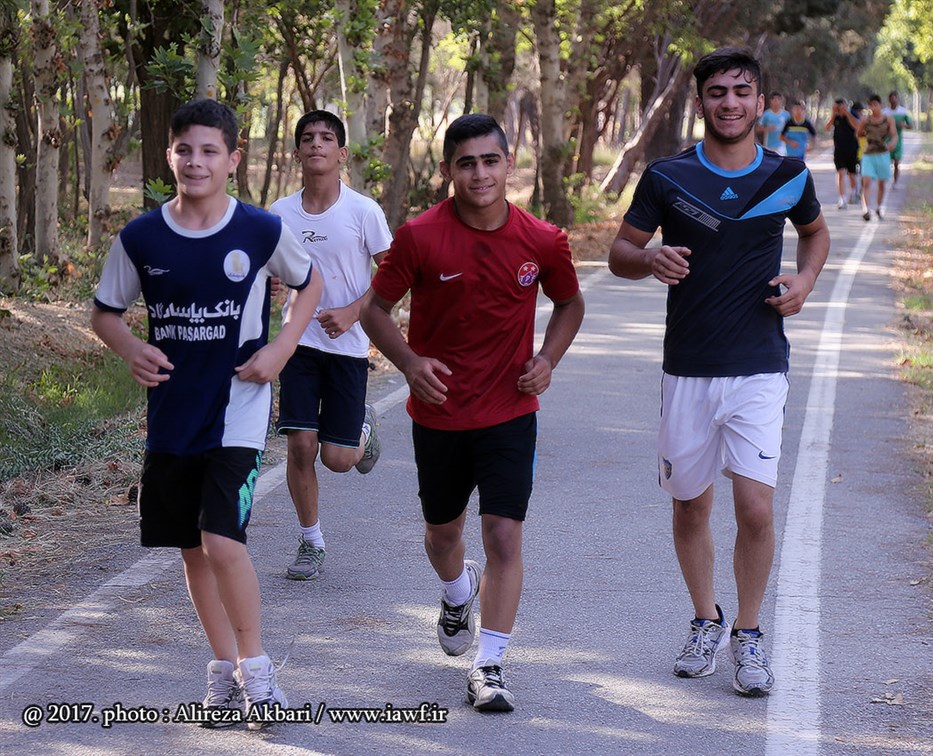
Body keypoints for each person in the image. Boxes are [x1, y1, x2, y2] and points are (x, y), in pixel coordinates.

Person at [91, 99, 322, 728]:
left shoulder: (260, 230)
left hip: (237, 412)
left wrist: (282, 348)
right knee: (192, 548)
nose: (196, 162)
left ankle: (259, 674)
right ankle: (223, 671)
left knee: (222, 540)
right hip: (171, 417)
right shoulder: (141, 237)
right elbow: (105, 313)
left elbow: (310, 284)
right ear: (169, 156)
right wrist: (131, 348)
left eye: (209, 151)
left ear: (233, 159)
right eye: (185, 150)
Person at [608, 48, 830, 698]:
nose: (729, 102)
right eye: (717, 92)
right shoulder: (668, 176)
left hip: (759, 364)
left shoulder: (787, 174)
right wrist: (649, 259)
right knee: (690, 505)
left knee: (755, 507)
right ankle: (706, 618)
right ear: (702, 101)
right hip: (688, 368)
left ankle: (749, 632)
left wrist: (805, 281)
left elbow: (815, 234)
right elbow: (619, 251)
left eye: (741, 91)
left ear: (760, 101)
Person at [360, 113, 584, 713]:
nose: (480, 174)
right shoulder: (419, 237)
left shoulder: (543, 239)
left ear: (509, 164)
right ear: (447, 171)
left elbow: (569, 303)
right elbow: (375, 310)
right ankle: (457, 592)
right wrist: (410, 363)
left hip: (511, 410)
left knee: (504, 535)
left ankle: (489, 665)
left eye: (490, 161)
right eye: (467, 163)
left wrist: (548, 359)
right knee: (443, 535)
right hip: (440, 415)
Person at [270, 110, 392, 581]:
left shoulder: (363, 211)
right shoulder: (280, 213)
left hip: (348, 346)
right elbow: (269, 272)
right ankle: (311, 542)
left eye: (325, 138)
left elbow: (394, 275)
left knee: (338, 460)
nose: (316, 144)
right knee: (301, 446)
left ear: (341, 154)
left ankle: (362, 427)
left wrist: (354, 311)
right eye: (307, 138)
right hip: (298, 343)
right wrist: (270, 284)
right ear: (296, 153)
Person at [855, 93, 898, 221]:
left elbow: (894, 135)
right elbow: (858, 133)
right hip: (868, 154)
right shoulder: (865, 120)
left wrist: (892, 144)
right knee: (866, 181)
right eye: (871, 105)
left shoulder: (888, 119)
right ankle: (866, 209)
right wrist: (865, 134)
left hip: (883, 153)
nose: (873, 108)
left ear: (881, 105)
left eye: (875, 105)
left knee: (881, 183)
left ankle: (879, 208)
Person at [826, 97, 862, 210]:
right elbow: (827, 127)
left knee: (852, 174)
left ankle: (854, 192)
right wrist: (833, 114)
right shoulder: (835, 116)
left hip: (852, 149)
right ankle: (842, 198)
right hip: (839, 150)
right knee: (840, 173)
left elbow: (857, 126)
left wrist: (847, 113)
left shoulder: (853, 114)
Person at [882, 91, 914, 184]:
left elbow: (910, 126)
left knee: (896, 163)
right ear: (889, 100)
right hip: (887, 140)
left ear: (898, 99)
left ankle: (895, 182)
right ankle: (885, 180)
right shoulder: (884, 112)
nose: (893, 101)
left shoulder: (903, 112)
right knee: (886, 163)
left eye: (895, 98)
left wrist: (904, 125)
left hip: (898, 141)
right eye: (891, 99)